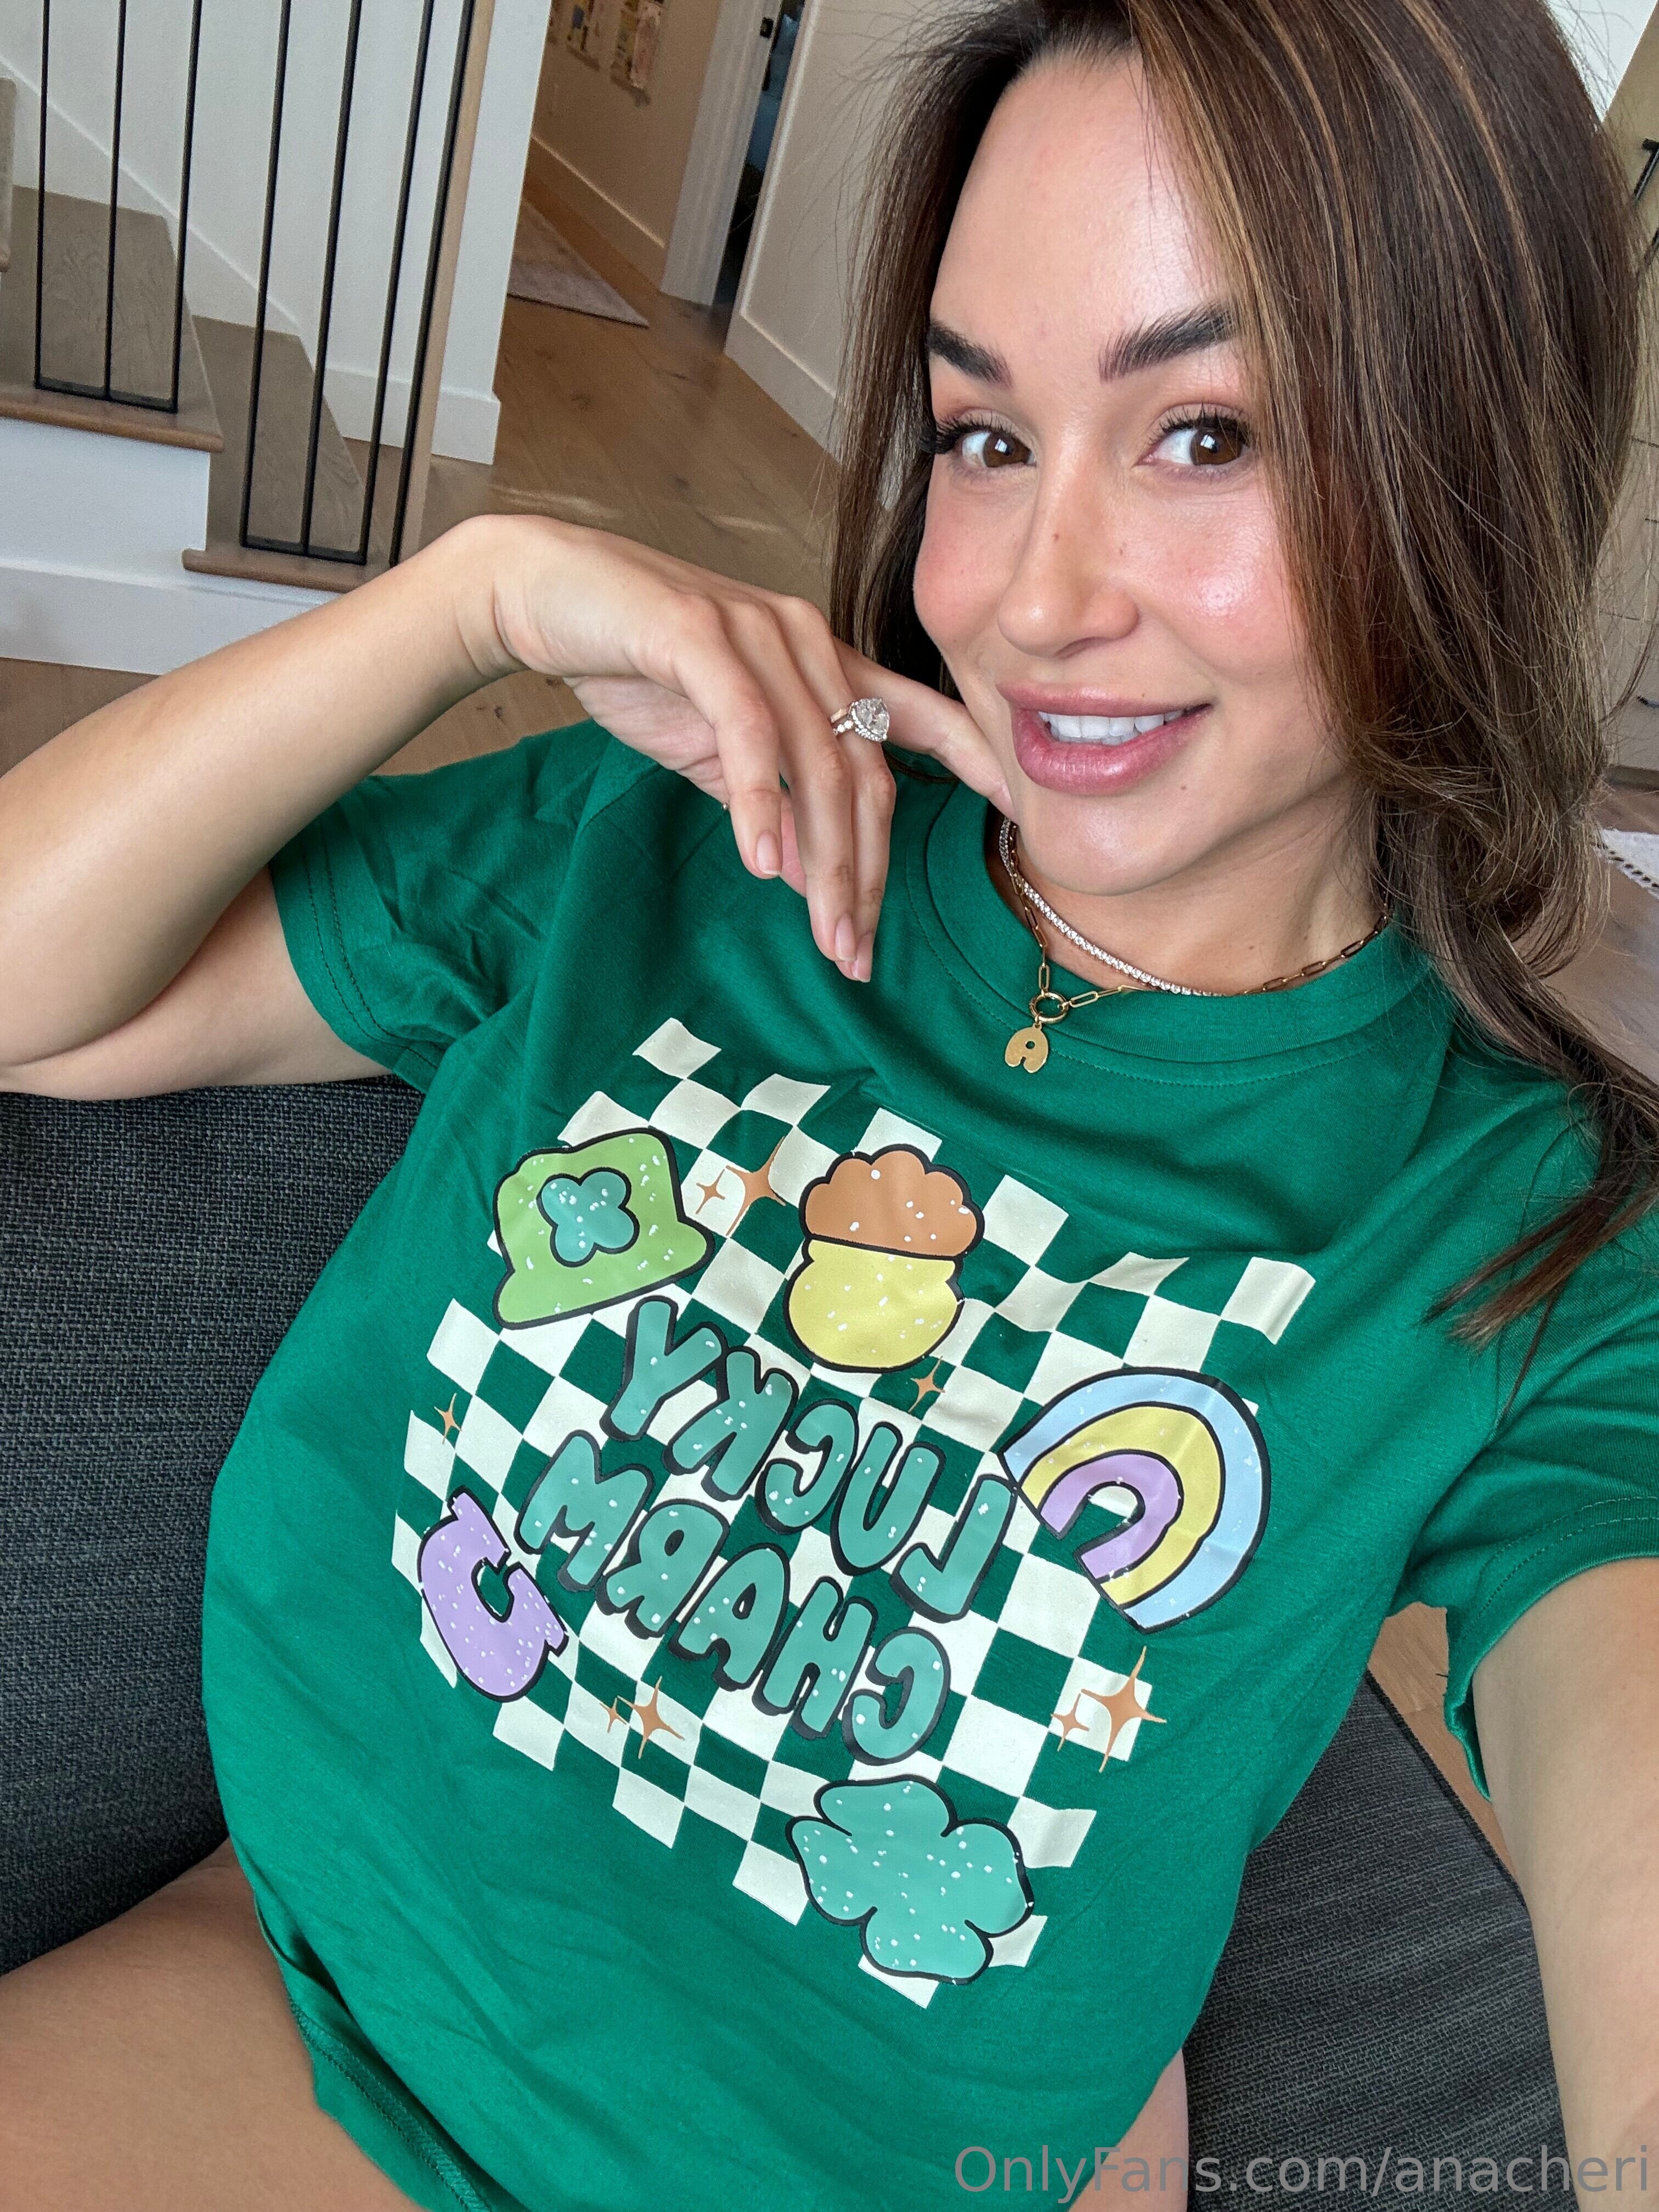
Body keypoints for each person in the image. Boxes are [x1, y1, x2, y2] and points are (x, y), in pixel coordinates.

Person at [3, 0, 1658, 2205]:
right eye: (985, 437)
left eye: (1208, 433)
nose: (1032, 602)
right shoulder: (687, 838)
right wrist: (464, 599)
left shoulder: (1533, 1230)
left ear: (1472, 460)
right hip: (287, 2021)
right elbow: (33, 990)